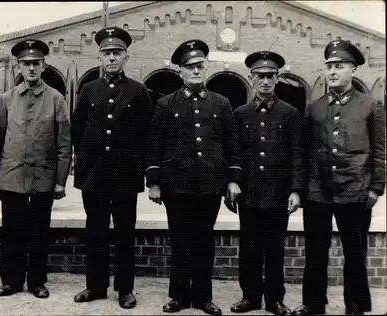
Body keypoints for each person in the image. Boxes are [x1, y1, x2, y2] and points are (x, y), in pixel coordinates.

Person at [146, 39, 243, 316]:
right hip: (176, 185)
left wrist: (233, 179)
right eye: (190, 67)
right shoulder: (166, 104)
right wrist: (154, 182)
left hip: (210, 184)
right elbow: (155, 145)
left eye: (200, 65)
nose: (196, 71)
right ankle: (178, 296)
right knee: (179, 240)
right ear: (180, 72)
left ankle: (203, 297)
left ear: (206, 67)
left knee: (203, 240)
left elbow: (232, 144)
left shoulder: (221, 103)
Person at [292, 40, 385, 316]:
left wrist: (376, 188)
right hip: (318, 192)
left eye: (339, 66)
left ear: (353, 70)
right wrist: (302, 188)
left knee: (355, 253)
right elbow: (303, 152)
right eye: (329, 67)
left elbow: (379, 150)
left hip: (355, 191)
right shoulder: (314, 108)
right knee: (315, 253)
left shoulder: (370, 106)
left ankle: (354, 305)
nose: (333, 72)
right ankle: (313, 304)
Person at [71, 26, 153, 309]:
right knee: (95, 231)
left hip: (124, 176)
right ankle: (94, 286)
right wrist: (85, 161)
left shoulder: (138, 91)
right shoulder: (89, 89)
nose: (111, 58)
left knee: (124, 234)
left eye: (117, 53)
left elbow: (146, 135)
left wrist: (138, 170)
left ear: (126, 56)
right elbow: (77, 130)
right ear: (99, 57)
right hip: (93, 175)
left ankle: (125, 289)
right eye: (106, 53)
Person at [0, 39, 72, 299]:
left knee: (39, 233)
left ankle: (37, 281)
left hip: (43, 178)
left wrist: (60, 181)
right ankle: (11, 281)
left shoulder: (56, 99)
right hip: (12, 177)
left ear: (44, 65)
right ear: (19, 66)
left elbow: (63, 143)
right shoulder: (6, 100)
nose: (31, 68)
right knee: (12, 232)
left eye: (36, 63)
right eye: (26, 64)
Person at [229, 51, 304, 316]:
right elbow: (234, 153)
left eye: (270, 76)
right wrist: (234, 183)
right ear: (251, 78)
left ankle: (274, 299)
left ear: (277, 78)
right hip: (249, 192)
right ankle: (250, 297)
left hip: (277, 193)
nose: (265, 81)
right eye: (260, 76)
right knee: (249, 247)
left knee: (274, 248)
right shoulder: (241, 113)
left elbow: (297, 153)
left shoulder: (289, 112)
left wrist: (295, 190)